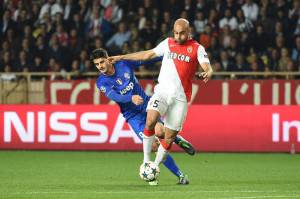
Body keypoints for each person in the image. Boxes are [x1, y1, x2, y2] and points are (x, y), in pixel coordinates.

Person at [110, 18, 213, 181]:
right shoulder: (168, 43)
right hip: (162, 92)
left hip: (180, 99)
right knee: (150, 120)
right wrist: (122, 57)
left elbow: (207, 65)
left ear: (189, 31)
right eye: (176, 33)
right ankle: (146, 161)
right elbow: (147, 54)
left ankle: (155, 166)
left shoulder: (197, 48)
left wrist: (208, 71)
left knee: (169, 138)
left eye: (182, 33)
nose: (178, 36)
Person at [90, 48, 195, 185]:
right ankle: (180, 175)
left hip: (147, 105)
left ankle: (176, 139)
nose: (100, 66)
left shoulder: (124, 64)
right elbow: (114, 96)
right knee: (154, 146)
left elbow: (145, 59)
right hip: (132, 116)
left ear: (108, 58)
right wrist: (130, 98)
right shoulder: (101, 82)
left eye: (102, 62)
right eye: (97, 64)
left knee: (160, 132)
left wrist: (165, 55)